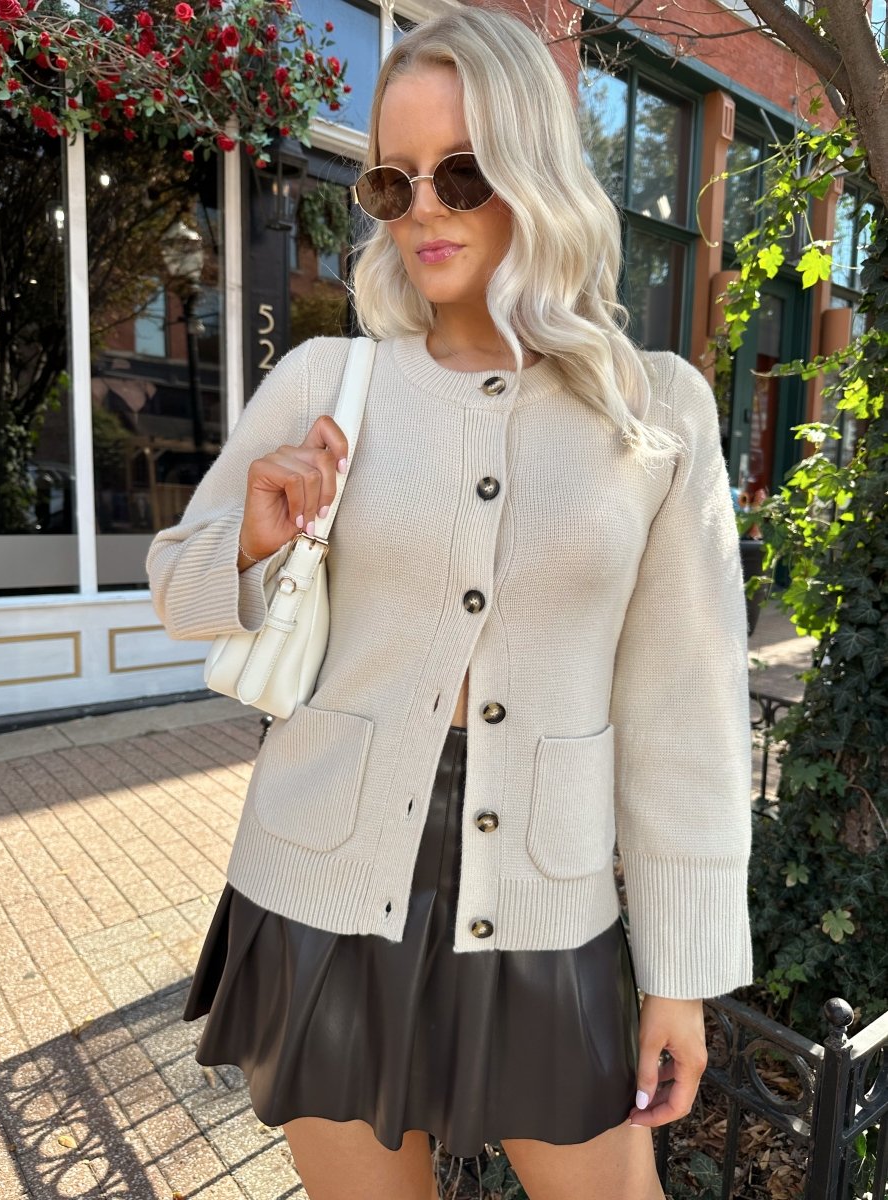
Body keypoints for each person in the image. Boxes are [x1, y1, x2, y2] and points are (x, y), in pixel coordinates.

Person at [146, 9, 754, 1199]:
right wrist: (256, 538)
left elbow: (687, 713)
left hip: (544, 899)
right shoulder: (328, 381)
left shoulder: (655, 410)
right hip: (318, 888)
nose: (424, 208)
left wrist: (679, 976)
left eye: (462, 174)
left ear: (534, 170)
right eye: (393, 181)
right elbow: (177, 586)